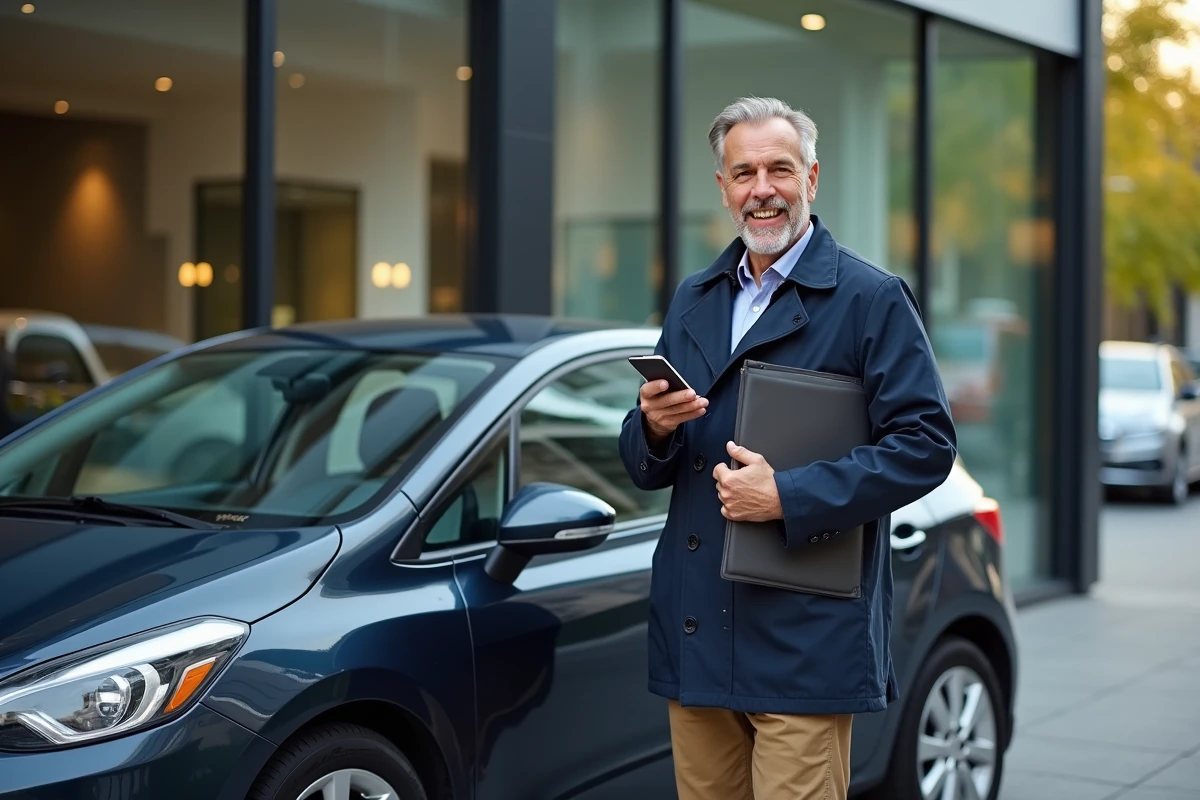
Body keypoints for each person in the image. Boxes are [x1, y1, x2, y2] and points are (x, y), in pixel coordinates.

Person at [618, 96, 957, 799]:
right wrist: (652, 427)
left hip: (805, 642)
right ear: (723, 188)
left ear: (812, 177)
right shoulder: (694, 297)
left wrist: (789, 496)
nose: (762, 189)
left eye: (779, 169)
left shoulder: (872, 298)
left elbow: (925, 445)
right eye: (744, 173)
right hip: (698, 631)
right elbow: (645, 463)